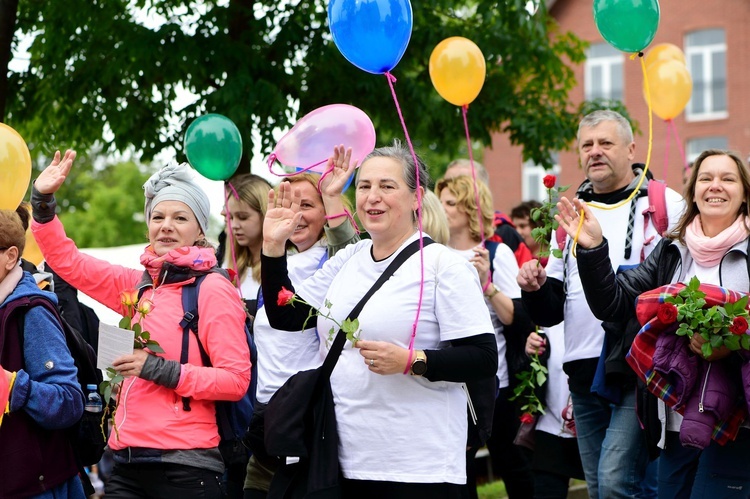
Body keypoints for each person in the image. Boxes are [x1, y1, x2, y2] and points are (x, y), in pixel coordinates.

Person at [260, 141, 497, 498]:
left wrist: (411, 361)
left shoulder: (444, 266)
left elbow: (483, 357)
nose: (373, 196)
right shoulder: (351, 257)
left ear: (417, 197)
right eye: (365, 186)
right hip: (342, 459)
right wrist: (273, 248)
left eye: (387, 186)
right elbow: (286, 316)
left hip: (418, 467)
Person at [31, 151, 251, 498]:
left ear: (199, 231)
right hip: (126, 464)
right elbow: (68, 262)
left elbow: (236, 380)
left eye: (180, 217)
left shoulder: (212, 288)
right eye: (158, 216)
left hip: (188, 471)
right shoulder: (137, 286)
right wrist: (42, 202)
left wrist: (157, 369)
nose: (166, 225)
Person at [551, 149, 750, 498]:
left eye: (727, 178)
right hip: (673, 424)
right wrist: (594, 248)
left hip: (736, 425)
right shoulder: (673, 249)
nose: (715, 186)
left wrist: (730, 344)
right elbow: (615, 304)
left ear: (744, 192)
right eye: (706, 178)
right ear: (693, 191)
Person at [517, 109, 685, 499]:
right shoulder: (570, 212)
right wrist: (535, 288)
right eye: (587, 145)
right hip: (581, 367)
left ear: (630, 149)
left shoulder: (664, 203)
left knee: (615, 482)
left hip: (639, 367)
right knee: (600, 488)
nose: (595, 152)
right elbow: (552, 310)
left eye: (605, 143)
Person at [244, 146, 359, 499]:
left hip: (306, 421)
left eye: (307, 205)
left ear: (327, 213)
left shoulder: (336, 260)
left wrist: (333, 194)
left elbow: (351, 247)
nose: (296, 214)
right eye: (291, 205)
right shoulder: (276, 262)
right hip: (266, 418)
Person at [435, 175, 534, 498]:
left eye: (450, 202)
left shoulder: (496, 251)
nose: (443, 209)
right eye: (441, 202)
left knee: (511, 463)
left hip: (495, 383)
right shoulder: (434, 252)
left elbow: (515, 318)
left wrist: (486, 283)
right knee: (460, 472)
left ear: (469, 208)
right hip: (449, 382)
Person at [0, 209, 86, 498]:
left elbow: (69, 401)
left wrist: (13, 387)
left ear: (10, 256)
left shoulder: (31, 311)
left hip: (35, 487)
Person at [444, 159, 533, 267]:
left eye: (462, 184)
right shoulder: (433, 235)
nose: (449, 189)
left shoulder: (504, 235)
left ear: (482, 192)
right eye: (447, 183)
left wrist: (487, 282)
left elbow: (527, 281)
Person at [223, 173, 273, 316]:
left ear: (265, 215)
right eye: (230, 217)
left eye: (243, 217)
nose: (234, 225)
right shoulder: (229, 266)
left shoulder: (288, 263)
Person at [511, 201, 547, 265]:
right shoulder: (513, 260)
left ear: (539, 226)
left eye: (522, 226)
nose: (517, 232)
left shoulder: (555, 260)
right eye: (514, 227)